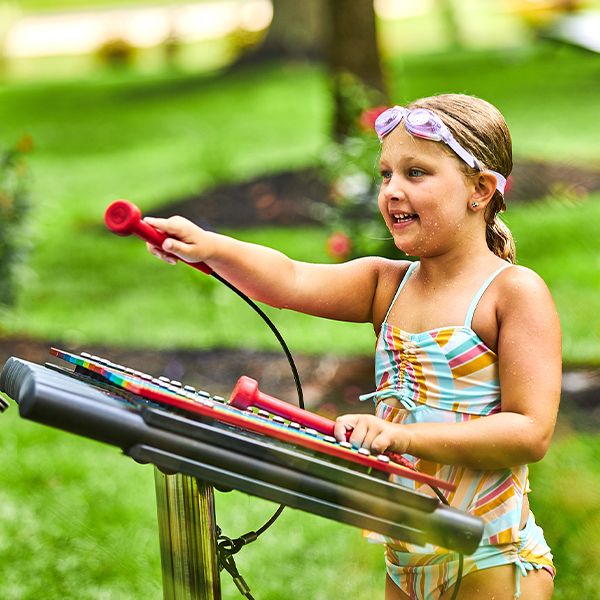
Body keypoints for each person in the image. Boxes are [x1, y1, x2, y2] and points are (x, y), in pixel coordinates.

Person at [144, 93, 561, 600]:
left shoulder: (511, 292)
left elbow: (529, 432)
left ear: (481, 189)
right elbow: (291, 279)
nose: (392, 191)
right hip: (409, 549)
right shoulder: (386, 284)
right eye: (386, 174)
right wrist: (212, 246)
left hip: (492, 551)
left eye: (417, 173)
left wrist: (400, 436)